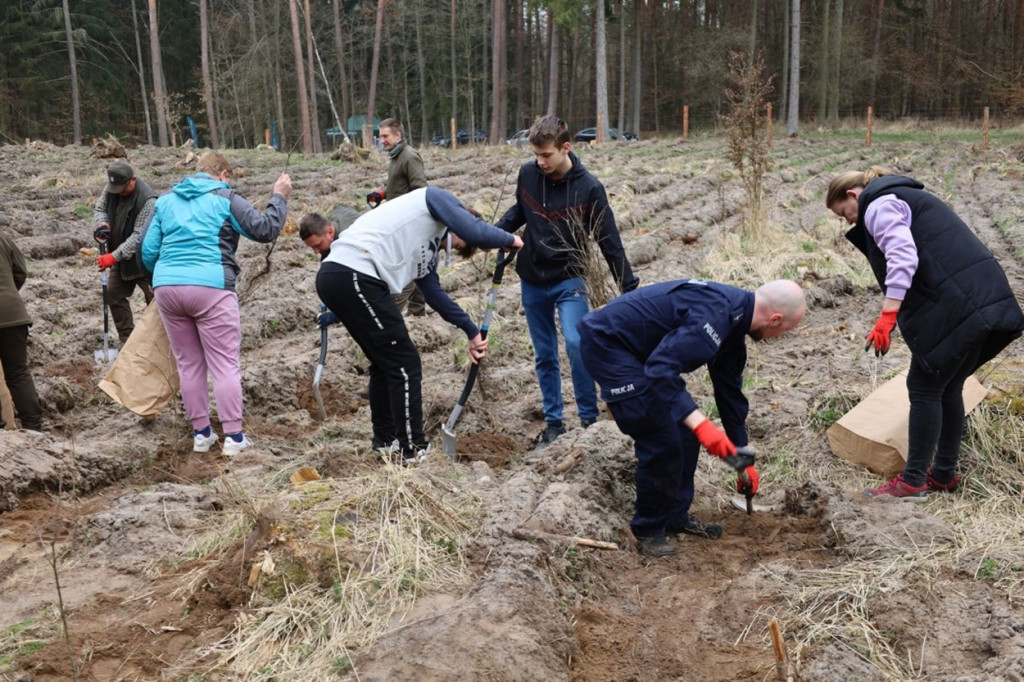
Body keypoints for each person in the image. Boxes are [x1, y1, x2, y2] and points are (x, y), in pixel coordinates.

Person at [826, 169, 1024, 499]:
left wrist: (888, 314)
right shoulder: (903, 196)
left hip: (959, 304)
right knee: (948, 386)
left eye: (844, 214)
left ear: (853, 196)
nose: (848, 223)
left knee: (923, 386)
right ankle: (944, 474)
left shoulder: (878, 205)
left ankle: (913, 480)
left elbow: (903, 258)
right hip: (980, 297)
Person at [578, 279, 807, 557]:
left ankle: (674, 516)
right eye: (784, 331)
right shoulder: (715, 316)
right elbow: (661, 368)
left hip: (642, 355)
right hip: (610, 345)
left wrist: (741, 455)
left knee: (685, 434)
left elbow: (729, 392)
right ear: (775, 319)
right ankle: (648, 529)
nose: (779, 337)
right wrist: (703, 425)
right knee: (661, 437)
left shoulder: (735, 323)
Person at [311, 187, 523, 463]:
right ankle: (413, 448)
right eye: (458, 244)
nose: (453, 247)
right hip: (353, 274)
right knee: (405, 363)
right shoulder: (436, 198)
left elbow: (434, 295)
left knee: (384, 363)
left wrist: (471, 332)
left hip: (340, 276)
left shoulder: (427, 244)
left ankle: (385, 442)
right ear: (459, 220)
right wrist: (512, 240)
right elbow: (477, 232)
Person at [495, 115, 639, 449]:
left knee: (577, 344)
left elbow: (610, 242)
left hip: (569, 278)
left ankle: (588, 421)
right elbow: (520, 211)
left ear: (565, 148)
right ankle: (554, 424)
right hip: (532, 279)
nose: (540, 161)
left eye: (546, 155)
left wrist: (629, 288)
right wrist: (494, 232)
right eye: (536, 155)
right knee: (545, 354)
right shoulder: (529, 174)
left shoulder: (589, 188)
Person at [141, 152, 291, 456]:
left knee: (188, 363)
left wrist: (158, 280)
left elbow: (147, 249)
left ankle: (202, 434)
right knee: (224, 363)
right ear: (222, 174)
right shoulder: (225, 197)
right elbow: (265, 229)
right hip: (211, 286)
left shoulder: (165, 201)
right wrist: (279, 197)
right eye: (228, 177)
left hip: (167, 287)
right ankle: (234, 438)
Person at [366, 118, 430, 317]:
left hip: (408, 221)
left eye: (385, 136)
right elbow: (399, 186)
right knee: (417, 264)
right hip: (398, 219)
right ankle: (418, 311)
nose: (381, 140)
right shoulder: (395, 157)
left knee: (410, 267)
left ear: (397, 135)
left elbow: (420, 189)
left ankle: (402, 313)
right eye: (380, 136)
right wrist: (383, 194)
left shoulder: (409, 157)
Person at [92, 160, 158, 342]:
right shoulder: (112, 188)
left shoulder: (148, 200)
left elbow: (139, 236)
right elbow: (100, 208)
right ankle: (127, 339)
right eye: (115, 188)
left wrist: (113, 256)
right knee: (113, 293)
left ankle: (156, 341)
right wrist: (102, 223)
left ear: (133, 180)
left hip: (145, 260)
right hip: (122, 261)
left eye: (122, 188)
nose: (119, 192)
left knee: (155, 301)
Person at [0, 232, 43, 431]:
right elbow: (20, 271)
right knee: (18, 373)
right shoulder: (3, 237)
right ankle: (33, 427)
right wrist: (9, 295)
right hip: (13, 314)